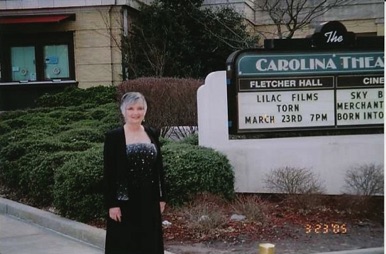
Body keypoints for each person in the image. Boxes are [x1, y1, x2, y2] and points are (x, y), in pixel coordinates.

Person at [103, 92, 167, 254]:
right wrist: (112, 204)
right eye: (130, 108)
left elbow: (158, 167)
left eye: (140, 108)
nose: (135, 113)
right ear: (123, 111)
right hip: (124, 201)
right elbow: (109, 173)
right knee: (125, 244)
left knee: (149, 243)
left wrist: (162, 197)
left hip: (149, 199)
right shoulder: (114, 137)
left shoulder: (151, 133)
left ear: (145, 111)